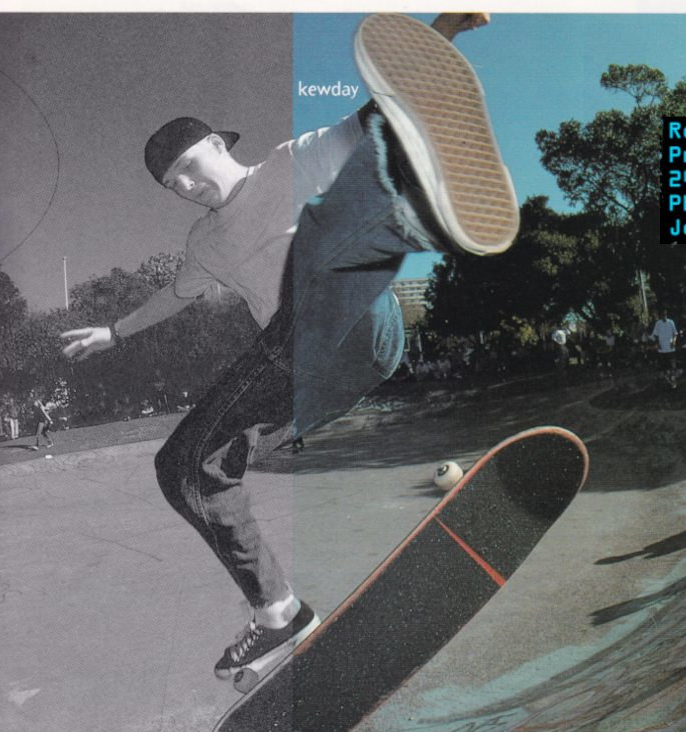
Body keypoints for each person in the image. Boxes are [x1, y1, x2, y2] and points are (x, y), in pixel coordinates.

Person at [60, 13, 519, 681]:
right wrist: (112, 331)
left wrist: (440, 32)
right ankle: (278, 611)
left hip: (353, 317)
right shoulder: (203, 244)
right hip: (321, 371)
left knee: (348, 192)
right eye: (173, 187)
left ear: (218, 145)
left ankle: (421, 205)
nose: (187, 188)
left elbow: (372, 111)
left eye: (189, 169)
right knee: (188, 468)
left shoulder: (288, 159)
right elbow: (176, 297)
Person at [650, 308, 678, 387]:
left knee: (672, 364)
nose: (664, 316)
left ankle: (673, 380)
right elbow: (655, 334)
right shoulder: (658, 323)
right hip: (662, 349)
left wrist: (674, 342)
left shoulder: (671, 322)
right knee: (664, 366)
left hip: (671, 348)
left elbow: (675, 333)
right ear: (660, 316)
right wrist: (658, 344)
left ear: (667, 315)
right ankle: (668, 380)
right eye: (662, 315)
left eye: (665, 314)